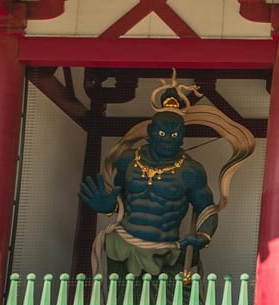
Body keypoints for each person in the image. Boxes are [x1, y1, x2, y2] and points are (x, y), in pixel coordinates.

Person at [80, 108, 217, 277]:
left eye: (174, 135)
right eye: (161, 133)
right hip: (124, 245)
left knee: (168, 294)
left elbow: (207, 209)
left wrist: (204, 235)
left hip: (166, 253)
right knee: (120, 292)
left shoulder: (191, 171)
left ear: (182, 137)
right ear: (150, 132)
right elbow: (121, 198)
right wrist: (110, 207)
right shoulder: (127, 160)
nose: (167, 139)